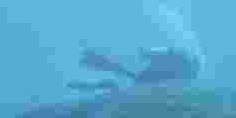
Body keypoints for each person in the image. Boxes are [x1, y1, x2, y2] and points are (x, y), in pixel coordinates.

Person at [70, 45, 200, 91]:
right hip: (150, 72)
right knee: (122, 71)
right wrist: (148, 53)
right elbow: (167, 52)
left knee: (122, 71)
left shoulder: (184, 65)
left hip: (151, 74)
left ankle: (93, 62)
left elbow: (166, 52)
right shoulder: (182, 58)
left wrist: (148, 53)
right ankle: (93, 60)